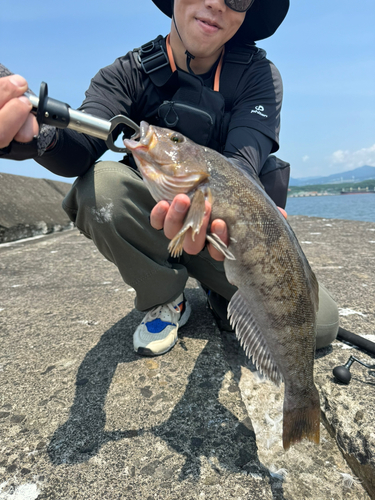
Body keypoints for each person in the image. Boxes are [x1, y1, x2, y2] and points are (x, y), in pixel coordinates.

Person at [0, 0, 339, 356]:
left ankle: (219, 290)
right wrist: (34, 136)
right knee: (99, 186)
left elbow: (243, 163)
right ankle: (164, 296)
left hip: (225, 239)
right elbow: (79, 147)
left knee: (320, 325)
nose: (215, 4)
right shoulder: (127, 74)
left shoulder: (258, 76)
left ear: (246, 12)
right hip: (154, 226)